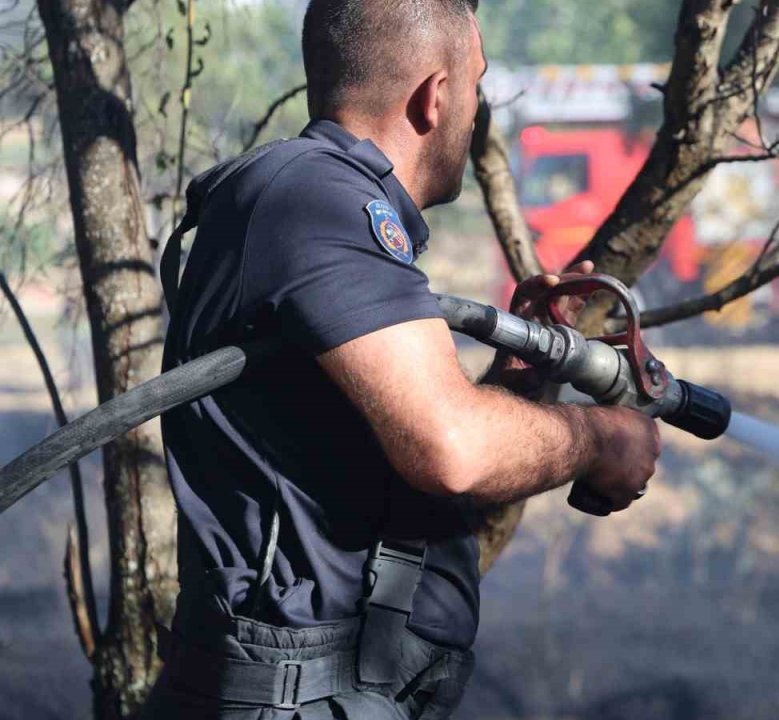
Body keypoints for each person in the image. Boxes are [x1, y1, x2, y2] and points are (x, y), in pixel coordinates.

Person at [141, 0, 660, 717]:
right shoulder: (320, 200)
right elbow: (451, 449)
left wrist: (520, 376)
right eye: (476, 88)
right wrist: (603, 439)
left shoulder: (312, 200)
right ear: (436, 95)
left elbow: (376, 457)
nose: (475, 113)